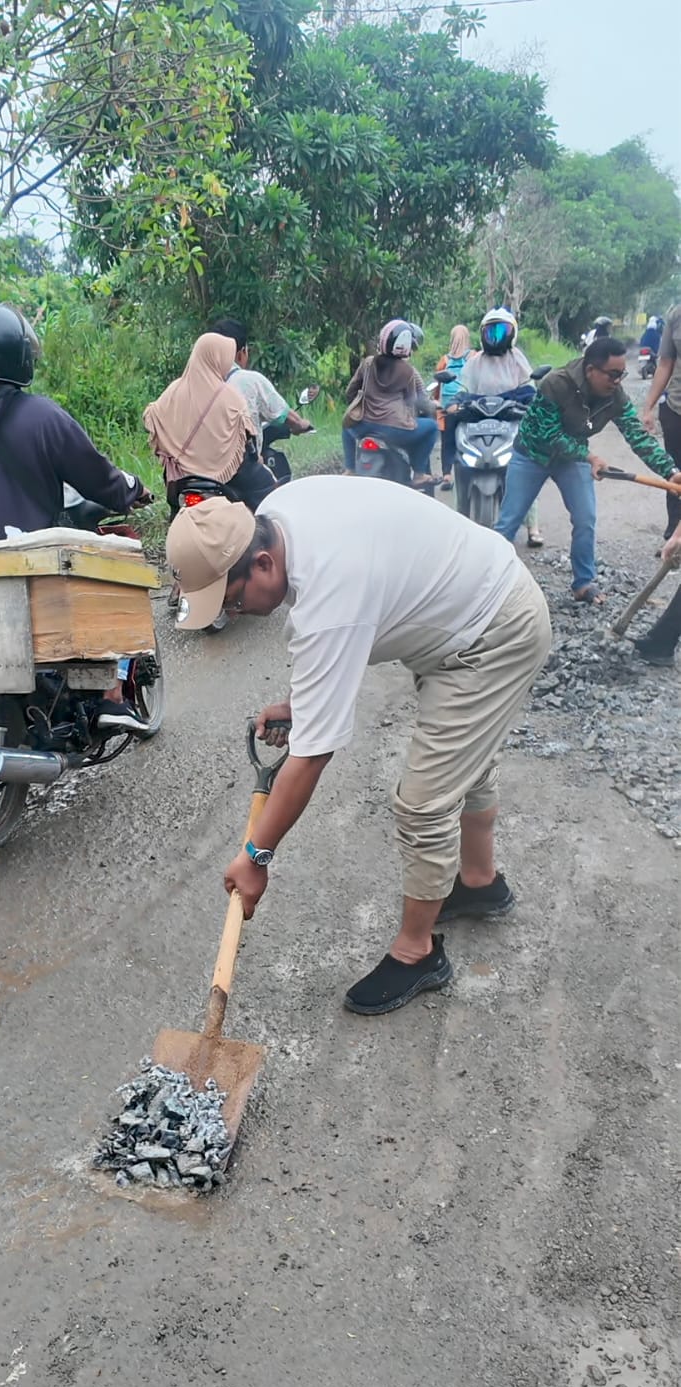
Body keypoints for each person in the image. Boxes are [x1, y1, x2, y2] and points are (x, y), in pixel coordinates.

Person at [166, 477, 552, 1015]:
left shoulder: (330, 588)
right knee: (466, 761)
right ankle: (480, 883)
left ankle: (418, 954)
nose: (233, 616)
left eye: (231, 602)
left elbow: (312, 755)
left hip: (495, 632)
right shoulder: (275, 515)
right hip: (470, 603)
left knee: (424, 801)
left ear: (261, 565)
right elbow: (340, 640)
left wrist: (256, 856)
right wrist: (303, 705)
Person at [0, 301, 150, 734]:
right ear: (17, 356)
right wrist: (131, 490)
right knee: (118, 575)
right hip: (34, 572)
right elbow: (97, 476)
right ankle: (110, 697)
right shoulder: (42, 416)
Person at [493, 337, 681, 602]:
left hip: (573, 459)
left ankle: (583, 583)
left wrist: (671, 472)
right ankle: (488, 582)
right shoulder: (555, 384)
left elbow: (637, 435)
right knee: (509, 521)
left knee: (585, 519)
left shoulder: (614, 395)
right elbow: (548, 435)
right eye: (613, 374)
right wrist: (589, 456)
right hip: (532, 455)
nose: (618, 381)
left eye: (622, 374)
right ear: (591, 370)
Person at [143, 331, 276, 514]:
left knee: (176, 513)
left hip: (182, 482)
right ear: (218, 359)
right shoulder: (230, 398)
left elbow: (152, 417)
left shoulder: (172, 391)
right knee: (268, 493)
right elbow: (247, 441)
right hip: (227, 480)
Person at [453, 308, 543, 547]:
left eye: (501, 330)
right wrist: (457, 404)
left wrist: (528, 403)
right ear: (482, 334)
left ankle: (533, 525)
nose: (495, 336)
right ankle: (459, 516)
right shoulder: (475, 361)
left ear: (512, 333)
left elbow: (528, 388)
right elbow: (463, 389)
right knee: (458, 458)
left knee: (525, 464)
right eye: (490, 330)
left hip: (510, 420)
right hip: (478, 421)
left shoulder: (517, 359)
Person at [342, 320, 439, 484]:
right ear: (407, 345)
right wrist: (431, 407)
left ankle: (350, 469)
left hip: (364, 426)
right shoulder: (408, 371)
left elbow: (350, 392)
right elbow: (413, 402)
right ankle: (419, 474)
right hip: (395, 430)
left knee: (347, 422)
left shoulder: (367, 363)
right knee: (432, 427)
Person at [209, 317, 314, 457]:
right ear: (241, 353)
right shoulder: (250, 380)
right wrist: (301, 424)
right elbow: (283, 414)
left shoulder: (193, 384)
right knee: (267, 477)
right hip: (238, 469)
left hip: (194, 470)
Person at [642, 301, 681, 545]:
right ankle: (673, 536)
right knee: (675, 474)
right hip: (676, 410)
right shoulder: (676, 314)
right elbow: (665, 363)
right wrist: (649, 407)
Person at [433, 324, 473, 487]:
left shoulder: (445, 360)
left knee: (446, 441)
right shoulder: (473, 356)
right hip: (468, 404)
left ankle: (447, 475)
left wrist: (437, 402)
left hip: (447, 407)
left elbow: (437, 384)